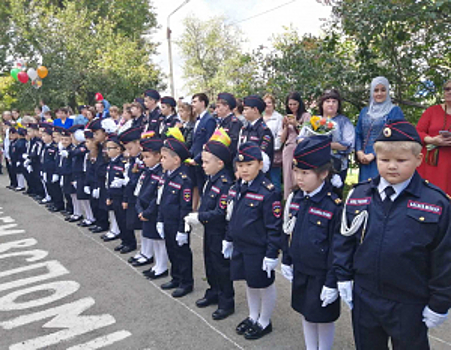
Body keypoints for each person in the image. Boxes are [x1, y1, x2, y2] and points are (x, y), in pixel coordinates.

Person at [334, 121, 451, 350]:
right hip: (365, 296)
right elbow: (345, 241)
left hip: (409, 302)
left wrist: (440, 301)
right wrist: (343, 276)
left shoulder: (436, 203)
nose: (392, 166)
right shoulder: (359, 195)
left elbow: (445, 257)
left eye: (401, 160)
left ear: (418, 160)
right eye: (384, 160)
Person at [281, 136, 342, 350]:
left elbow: (338, 248)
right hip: (302, 269)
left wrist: (332, 282)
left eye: (305, 173)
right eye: (297, 171)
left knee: (323, 318)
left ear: (323, 173)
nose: (299, 177)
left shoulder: (333, 206)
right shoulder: (297, 198)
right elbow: (288, 231)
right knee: (306, 313)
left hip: (322, 274)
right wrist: (286, 259)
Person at [224, 142, 282, 340]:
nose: (244, 169)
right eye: (240, 166)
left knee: (263, 284)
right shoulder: (237, 188)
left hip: (258, 249)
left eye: (248, 165)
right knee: (249, 282)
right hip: (242, 245)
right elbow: (232, 216)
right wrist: (228, 239)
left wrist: (272, 253)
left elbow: (274, 226)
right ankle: (253, 315)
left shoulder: (268, 191)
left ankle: (265, 320)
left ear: (259, 164)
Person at [184, 134, 235, 321]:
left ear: (220, 163)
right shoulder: (212, 178)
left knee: (221, 267)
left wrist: (200, 216)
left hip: (220, 231)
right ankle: (213, 291)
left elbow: (221, 212)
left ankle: (226, 301)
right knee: (210, 263)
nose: (202, 165)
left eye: (206, 162)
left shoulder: (225, 183)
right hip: (210, 229)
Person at [157, 137, 194, 298]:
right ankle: (176, 277)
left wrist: (182, 230)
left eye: (165, 158)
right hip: (167, 220)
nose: (161, 161)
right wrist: (159, 219)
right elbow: (161, 199)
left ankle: (186, 282)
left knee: (182, 253)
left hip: (178, 223)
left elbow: (185, 207)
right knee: (171, 250)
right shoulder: (167, 175)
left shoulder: (184, 179)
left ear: (176, 160)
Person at [355, 76, 405, 182]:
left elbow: (396, 136)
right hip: (365, 159)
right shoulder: (365, 112)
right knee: (365, 190)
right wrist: (359, 152)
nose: (379, 93)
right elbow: (358, 133)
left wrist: (373, 154)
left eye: (383, 90)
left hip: (385, 157)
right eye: (376, 90)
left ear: (387, 91)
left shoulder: (394, 111)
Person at [135, 136, 169, 279]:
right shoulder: (146, 171)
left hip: (153, 211)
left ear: (158, 156)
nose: (144, 160)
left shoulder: (161, 173)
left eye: (147, 157)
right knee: (152, 238)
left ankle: (162, 266)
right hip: (145, 210)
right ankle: (156, 264)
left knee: (160, 240)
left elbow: (157, 197)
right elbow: (139, 191)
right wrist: (139, 209)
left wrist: (148, 211)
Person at [312, 89, 355, 194]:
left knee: (334, 197)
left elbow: (347, 145)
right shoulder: (314, 121)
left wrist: (322, 144)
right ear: (322, 104)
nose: (331, 104)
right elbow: (301, 140)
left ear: (338, 105)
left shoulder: (344, 122)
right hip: (315, 166)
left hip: (337, 166)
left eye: (334, 101)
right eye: (327, 101)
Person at [417, 79, 451, 195]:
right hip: (432, 163)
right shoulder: (432, 111)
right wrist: (432, 140)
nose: (449, 92)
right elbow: (418, 132)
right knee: (431, 195)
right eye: (447, 89)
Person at [105, 134, 135, 254]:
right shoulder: (112, 162)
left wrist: (125, 199)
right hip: (115, 195)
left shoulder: (123, 162)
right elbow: (108, 181)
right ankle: (124, 241)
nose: (107, 151)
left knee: (125, 221)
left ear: (118, 149)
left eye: (109, 148)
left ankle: (130, 242)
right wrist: (109, 196)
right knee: (119, 219)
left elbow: (127, 182)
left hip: (122, 196)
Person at [119, 127, 146, 255]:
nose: (128, 152)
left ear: (138, 144)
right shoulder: (134, 158)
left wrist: (130, 180)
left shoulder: (142, 159)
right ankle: (143, 251)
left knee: (142, 226)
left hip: (140, 195)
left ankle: (146, 252)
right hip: (132, 194)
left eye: (130, 148)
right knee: (135, 224)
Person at [187, 93, 216, 210]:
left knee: (204, 186)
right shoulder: (197, 120)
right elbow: (195, 142)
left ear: (202, 103)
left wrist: (197, 158)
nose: (192, 104)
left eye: (195, 102)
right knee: (198, 186)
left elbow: (208, 142)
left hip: (203, 160)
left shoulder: (209, 120)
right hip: (194, 160)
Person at [280, 92, 311, 199]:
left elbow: (308, 134)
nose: (292, 107)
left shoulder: (306, 116)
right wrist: (285, 126)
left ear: (300, 103)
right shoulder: (286, 117)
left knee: (299, 173)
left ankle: (301, 197)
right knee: (288, 175)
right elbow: (282, 139)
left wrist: (296, 124)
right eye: (290, 104)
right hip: (288, 148)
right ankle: (288, 198)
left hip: (301, 148)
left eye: (295, 104)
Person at [239, 95, 274, 174]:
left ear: (255, 110)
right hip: (243, 172)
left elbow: (263, 157)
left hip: (257, 174)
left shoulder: (264, 131)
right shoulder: (245, 129)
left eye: (246, 109)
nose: (243, 112)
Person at [263, 94, 284, 192]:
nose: (267, 105)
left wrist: (271, 147)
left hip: (274, 153)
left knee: (275, 180)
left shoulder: (279, 117)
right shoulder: (260, 117)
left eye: (269, 102)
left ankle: (277, 204)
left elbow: (280, 136)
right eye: (265, 103)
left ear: (273, 104)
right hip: (261, 153)